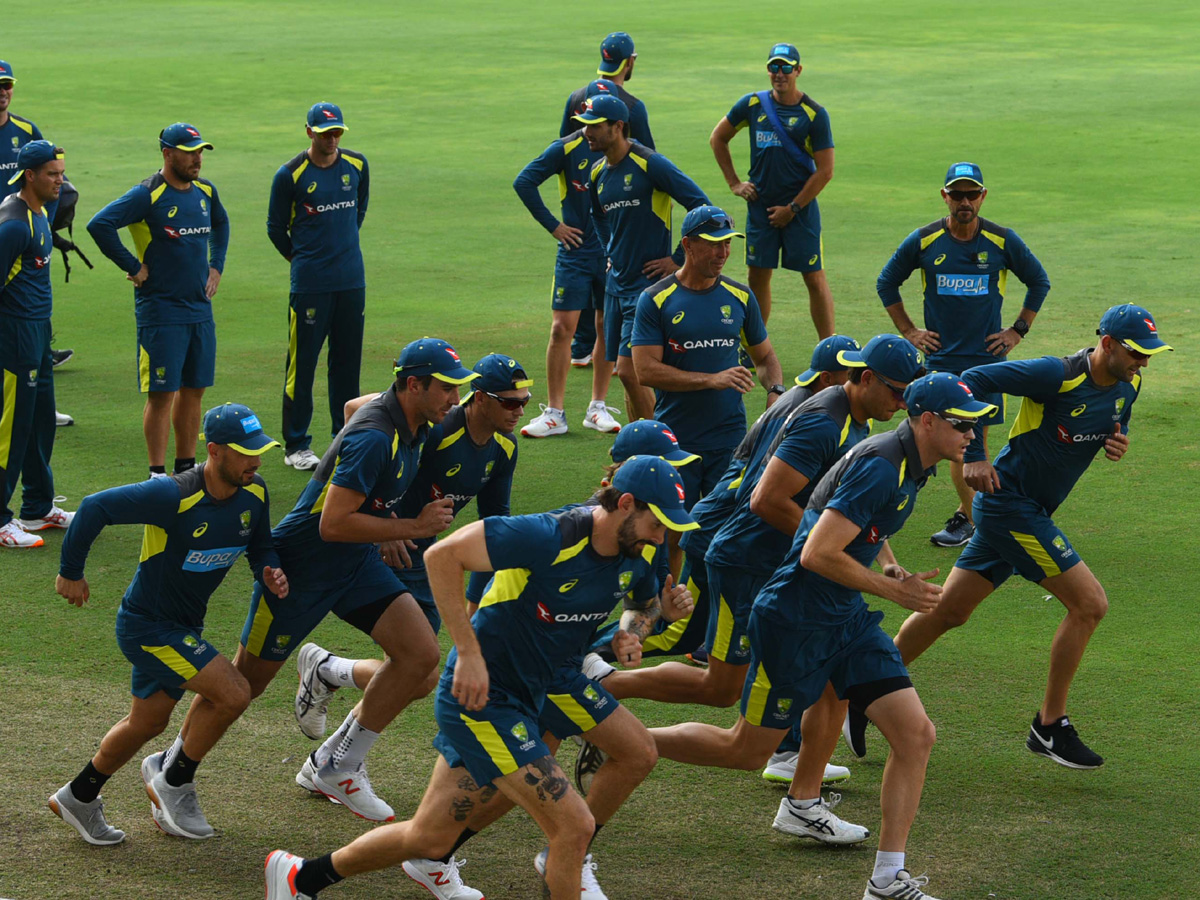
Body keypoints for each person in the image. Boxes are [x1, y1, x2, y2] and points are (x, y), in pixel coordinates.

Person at [264, 456, 697, 900]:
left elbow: (644, 606)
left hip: (554, 680)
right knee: (573, 825)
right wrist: (468, 652)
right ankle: (563, 862)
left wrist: (634, 630)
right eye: (657, 525)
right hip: (487, 695)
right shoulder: (547, 535)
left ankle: (301, 877)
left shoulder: (638, 550)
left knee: (635, 751)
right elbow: (442, 555)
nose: (662, 538)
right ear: (626, 504)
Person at [649, 373, 995, 900]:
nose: (972, 435)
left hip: (844, 616)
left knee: (915, 734)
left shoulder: (912, 464)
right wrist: (889, 589)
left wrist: (888, 572)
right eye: (963, 424)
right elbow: (814, 553)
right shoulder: (882, 466)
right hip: (796, 618)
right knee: (745, 748)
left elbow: (842, 529)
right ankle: (624, 740)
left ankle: (882, 877)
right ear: (927, 422)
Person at [589, 336, 921, 792]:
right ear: (862, 380)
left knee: (803, 679)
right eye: (897, 391)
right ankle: (600, 689)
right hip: (746, 563)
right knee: (717, 684)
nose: (903, 404)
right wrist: (824, 548)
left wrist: (878, 556)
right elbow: (769, 500)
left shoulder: (840, 414)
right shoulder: (826, 423)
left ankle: (793, 769)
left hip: (756, 557)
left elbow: (842, 507)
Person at [892, 305, 1170, 770]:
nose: (1144, 362)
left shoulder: (1130, 385)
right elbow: (973, 381)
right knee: (1090, 604)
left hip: (1029, 509)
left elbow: (1117, 416)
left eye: (1149, 354)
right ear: (1106, 345)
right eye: (1137, 353)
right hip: (1009, 504)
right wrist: (975, 454)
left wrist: (1116, 440)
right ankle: (1049, 725)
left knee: (950, 611)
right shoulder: (1054, 375)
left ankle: (860, 688)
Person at [226, 338, 473, 822]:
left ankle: (337, 765)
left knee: (421, 658)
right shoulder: (378, 436)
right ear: (414, 384)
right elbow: (332, 524)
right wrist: (409, 526)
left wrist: (379, 519)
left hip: (354, 564)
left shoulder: (414, 418)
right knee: (239, 689)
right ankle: (170, 767)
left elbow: (354, 406)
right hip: (303, 568)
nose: (455, 399)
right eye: (448, 388)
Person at [49, 403, 285, 843]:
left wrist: (268, 569)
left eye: (259, 450)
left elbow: (261, 544)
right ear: (214, 452)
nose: (255, 460)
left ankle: (77, 797)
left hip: (183, 626)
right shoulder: (173, 495)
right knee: (234, 692)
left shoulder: (255, 492)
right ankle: (175, 780)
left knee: (147, 723)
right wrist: (71, 571)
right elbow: (95, 507)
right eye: (245, 452)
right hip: (148, 627)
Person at [292, 353, 529, 744]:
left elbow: (494, 528)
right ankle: (336, 755)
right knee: (417, 666)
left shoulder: (504, 448)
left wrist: (473, 611)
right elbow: (357, 410)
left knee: (416, 671)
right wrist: (384, 527)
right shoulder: (439, 428)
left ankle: (328, 672)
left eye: (523, 401)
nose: (519, 410)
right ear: (479, 398)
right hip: (391, 549)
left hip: (424, 553)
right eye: (509, 402)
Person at [878, 161, 1050, 548]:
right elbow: (887, 282)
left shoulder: (1002, 241)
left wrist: (1017, 331)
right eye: (957, 194)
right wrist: (909, 331)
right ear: (945, 197)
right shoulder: (924, 241)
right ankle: (961, 514)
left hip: (986, 364)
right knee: (923, 438)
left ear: (983, 197)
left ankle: (972, 518)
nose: (965, 201)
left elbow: (1039, 281)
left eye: (972, 194)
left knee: (972, 442)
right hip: (940, 362)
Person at [87, 123, 230, 479]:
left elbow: (221, 225)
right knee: (162, 394)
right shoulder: (146, 194)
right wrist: (133, 266)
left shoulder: (205, 191)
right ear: (167, 153)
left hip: (199, 308)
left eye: (200, 151)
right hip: (161, 311)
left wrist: (216, 266)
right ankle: (156, 473)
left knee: (194, 389)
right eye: (189, 152)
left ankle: (185, 467)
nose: (197, 159)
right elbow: (100, 225)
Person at [630, 204, 784, 509]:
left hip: (730, 439)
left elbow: (765, 358)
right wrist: (711, 380)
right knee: (673, 531)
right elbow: (644, 370)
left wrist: (776, 391)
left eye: (727, 243)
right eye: (714, 244)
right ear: (688, 244)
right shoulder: (655, 300)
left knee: (721, 528)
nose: (723, 252)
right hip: (675, 439)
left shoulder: (740, 297)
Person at [577, 94, 709, 423]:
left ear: (617, 127)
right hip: (614, 286)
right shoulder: (596, 173)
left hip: (646, 288)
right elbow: (598, 216)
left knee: (628, 369)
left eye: (594, 126)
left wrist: (679, 258)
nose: (585, 133)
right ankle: (637, 448)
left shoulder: (650, 163)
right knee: (628, 375)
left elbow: (701, 207)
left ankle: (659, 447)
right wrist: (610, 250)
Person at [267, 102, 369, 470]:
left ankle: (344, 436)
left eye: (337, 131)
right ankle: (296, 444)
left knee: (346, 365)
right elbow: (275, 228)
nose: (332, 138)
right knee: (303, 365)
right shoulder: (290, 175)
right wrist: (304, 259)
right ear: (309, 131)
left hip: (351, 282)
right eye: (325, 132)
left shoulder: (356, 165)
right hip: (310, 286)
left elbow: (359, 210)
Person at [710, 42, 835, 336]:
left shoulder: (814, 114)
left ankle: (829, 346)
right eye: (774, 67)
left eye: (786, 68)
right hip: (761, 207)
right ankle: (754, 345)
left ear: (798, 70)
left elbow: (826, 171)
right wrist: (734, 183)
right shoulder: (753, 105)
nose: (780, 74)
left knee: (814, 278)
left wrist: (792, 209)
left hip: (800, 210)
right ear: (768, 70)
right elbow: (718, 138)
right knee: (758, 277)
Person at [514, 94, 619, 437]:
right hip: (574, 252)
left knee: (607, 326)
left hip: (611, 252)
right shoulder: (565, 149)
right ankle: (555, 413)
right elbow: (524, 181)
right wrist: (554, 226)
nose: (588, 130)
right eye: (585, 122)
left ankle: (597, 408)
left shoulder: (626, 153)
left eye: (594, 123)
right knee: (561, 329)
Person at [560, 32, 655, 369]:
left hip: (578, 208)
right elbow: (647, 161)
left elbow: (564, 151)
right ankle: (617, 351)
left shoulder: (575, 98)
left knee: (585, 273)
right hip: (617, 205)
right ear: (630, 62)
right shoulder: (631, 108)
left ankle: (583, 346)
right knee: (611, 274)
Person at [0, 139, 73, 549]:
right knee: (12, 429)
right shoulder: (13, 225)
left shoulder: (40, 212)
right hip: (15, 336)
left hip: (38, 331)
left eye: (61, 174)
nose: (59, 181)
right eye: (52, 175)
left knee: (42, 421)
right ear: (30, 175)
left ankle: (38, 507)